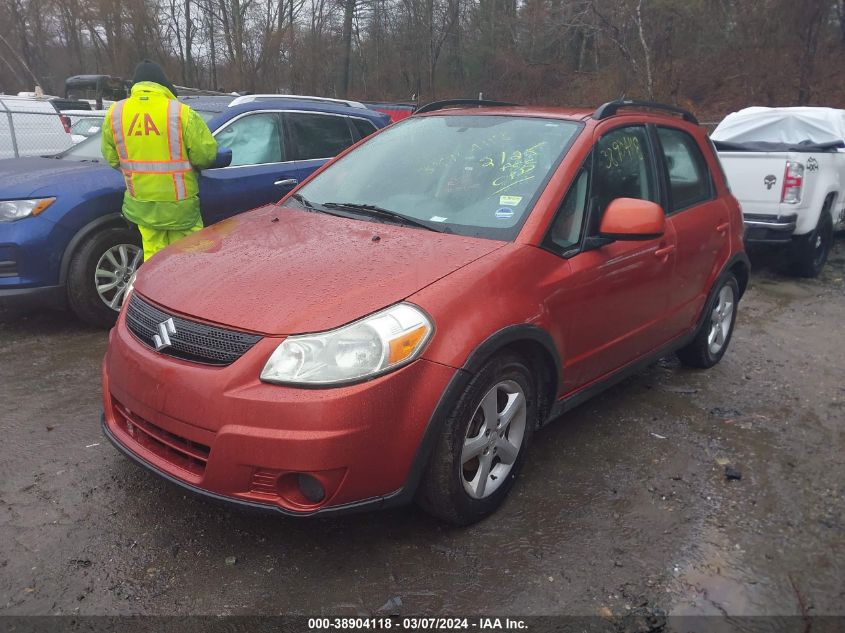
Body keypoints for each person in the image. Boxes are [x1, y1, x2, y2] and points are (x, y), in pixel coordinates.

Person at [101, 60, 217, 260]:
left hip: (143, 206)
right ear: (163, 84)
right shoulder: (180, 112)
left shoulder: (115, 113)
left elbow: (111, 157)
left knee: (154, 259)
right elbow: (206, 155)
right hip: (180, 207)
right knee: (191, 258)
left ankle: (156, 292)